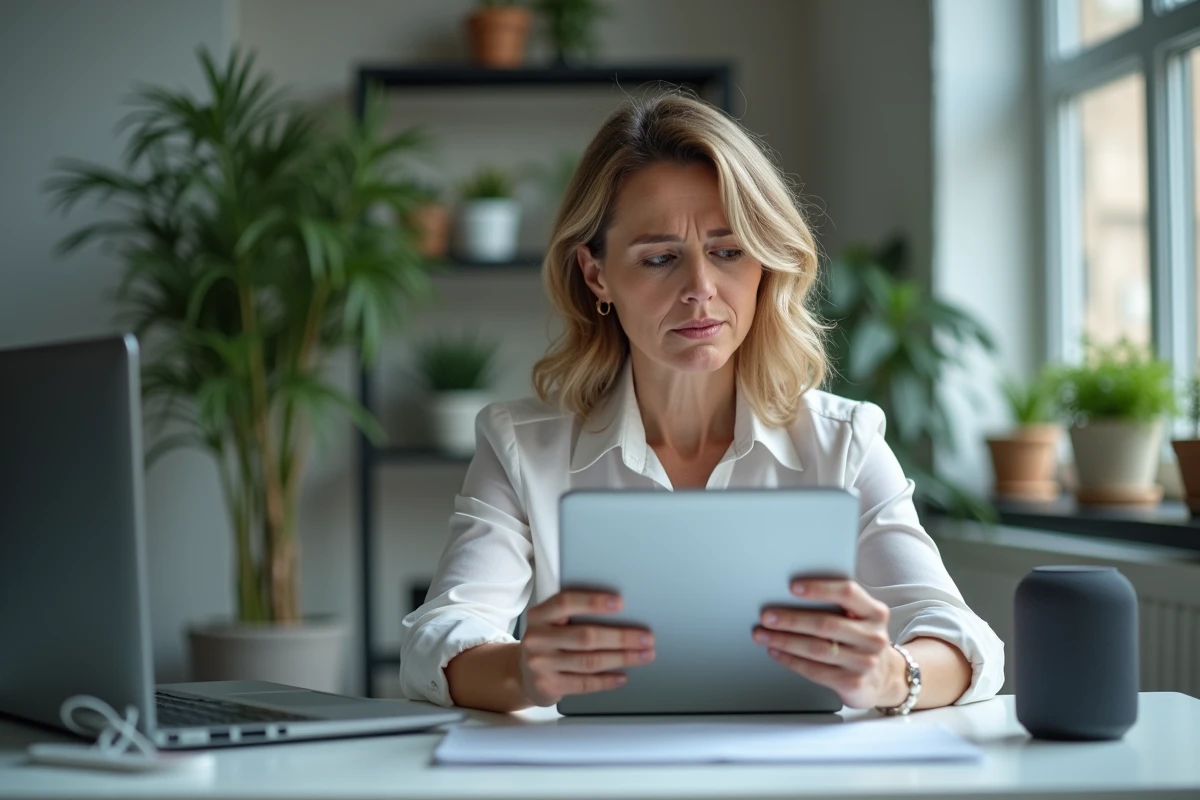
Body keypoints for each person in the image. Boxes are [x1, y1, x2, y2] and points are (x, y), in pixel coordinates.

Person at [399, 91, 1004, 714]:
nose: (700, 290)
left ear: (765, 265)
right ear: (596, 275)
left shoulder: (843, 442)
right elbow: (436, 639)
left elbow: (963, 640)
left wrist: (888, 675)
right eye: (660, 258)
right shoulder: (522, 446)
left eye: (728, 251)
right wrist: (524, 671)